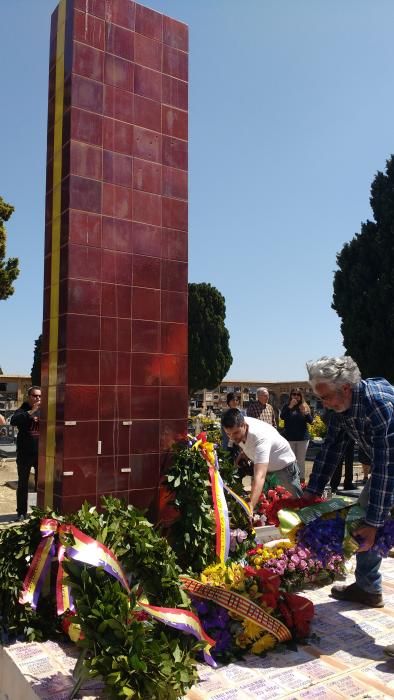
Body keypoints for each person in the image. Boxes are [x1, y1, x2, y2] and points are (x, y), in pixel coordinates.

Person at [304, 355, 394, 611]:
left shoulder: (378, 405)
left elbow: (388, 466)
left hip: (390, 464)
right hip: (386, 466)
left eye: (326, 397)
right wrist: (312, 491)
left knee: (374, 522)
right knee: (363, 520)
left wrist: (376, 522)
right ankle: (367, 588)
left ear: (345, 388)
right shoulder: (340, 406)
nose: (324, 404)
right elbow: (332, 447)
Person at [221, 408, 303, 511]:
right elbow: (246, 443)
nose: (232, 438)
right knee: (265, 508)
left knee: (298, 505)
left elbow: (260, 476)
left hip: (284, 469)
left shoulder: (260, 437)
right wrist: (244, 453)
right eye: (229, 434)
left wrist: (250, 505)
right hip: (266, 468)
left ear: (243, 424)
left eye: (236, 433)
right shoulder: (237, 423)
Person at [10, 385, 41, 521]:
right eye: (35, 396)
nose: (38, 398)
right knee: (23, 484)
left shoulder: (44, 410)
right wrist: (32, 411)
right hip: (25, 454)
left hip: (41, 454)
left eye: (40, 396)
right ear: (29, 397)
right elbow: (13, 421)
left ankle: (38, 512)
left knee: (41, 484)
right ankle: (21, 512)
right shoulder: (22, 410)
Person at [280, 388, 313, 480]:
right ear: (290, 395)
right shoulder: (287, 406)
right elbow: (282, 417)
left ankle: (301, 479)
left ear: (301, 396)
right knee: (290, 460)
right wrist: (290, 406)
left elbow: (311, 421)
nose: (296, 396)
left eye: (298, 395)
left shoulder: (304, 406)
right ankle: (291, 479)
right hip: (289, 438)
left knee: (301, 460)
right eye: (294, 394)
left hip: (302, 439)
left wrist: (305, 412)